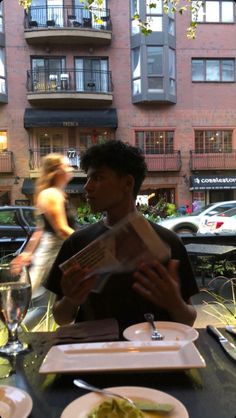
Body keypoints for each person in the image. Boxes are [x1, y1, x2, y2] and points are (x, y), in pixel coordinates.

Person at [45, 141, 198, 333]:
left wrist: (175, 303)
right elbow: (61, 318)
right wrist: (71, 300)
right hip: (96, 355)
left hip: (153, 353)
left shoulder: (169, 242)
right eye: (87, 179)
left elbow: (188, 321)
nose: (87, 187)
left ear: (127, 183)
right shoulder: (76, 243)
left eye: (98, 178)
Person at [12, 153, 77, 328]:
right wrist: (87, 243)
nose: (70, 169)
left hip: (51, 252)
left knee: (47, 303)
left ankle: (16, 333)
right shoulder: (52, 194)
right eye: (66, 166)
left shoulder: (52, 193)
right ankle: (15, 335)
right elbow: (62, 229)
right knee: (46, 303)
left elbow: (40, 230)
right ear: (56, 171)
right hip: (54, 255)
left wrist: (27, 253)